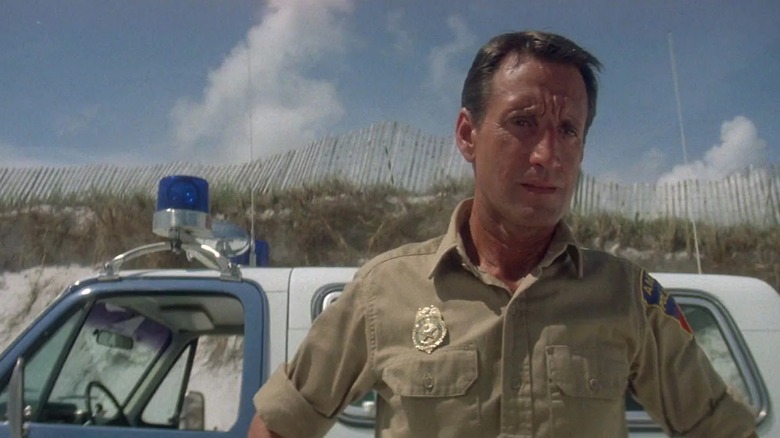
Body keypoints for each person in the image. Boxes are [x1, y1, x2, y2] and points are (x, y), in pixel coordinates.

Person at [249, 30, 757, 437]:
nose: (547, 156)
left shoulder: (627, 297)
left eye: (568, 131)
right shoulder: (384, 292)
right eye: (523, 122)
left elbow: (722, 429)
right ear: (468, 135)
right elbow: (279, 426)